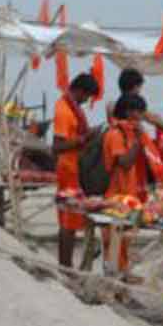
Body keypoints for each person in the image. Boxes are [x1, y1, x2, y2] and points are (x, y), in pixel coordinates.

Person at [101, 93, 152, 276]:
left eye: (141, 112)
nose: (139, 116)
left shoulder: (127, 133)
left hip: (128, 195)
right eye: (137, 112)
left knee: (124, 242)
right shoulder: (116, 134)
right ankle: (115, 281)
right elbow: (124, 163)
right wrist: (138, 142)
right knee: (115, 243)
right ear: (128, 112)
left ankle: (120, 278)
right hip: (116, 196)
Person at [52, 71, 97, 270]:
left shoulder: (71, 107)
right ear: (79, 91)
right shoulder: (64, 111)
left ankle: (66, 265)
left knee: (69, 219)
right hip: (67, 169)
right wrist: (83, 139)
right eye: (86, 97)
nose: (86, 101)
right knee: (68, 221)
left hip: (72, 167)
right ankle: (66, 266)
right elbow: (57, 146)